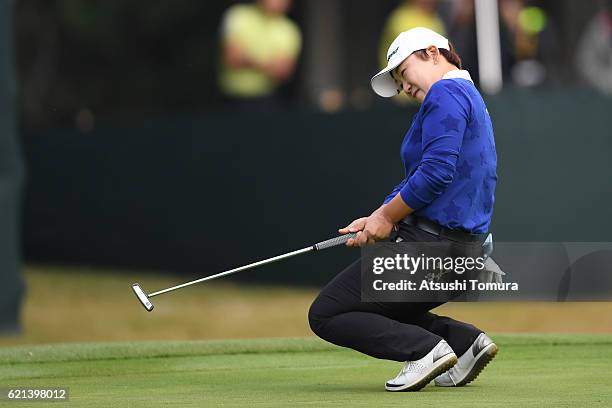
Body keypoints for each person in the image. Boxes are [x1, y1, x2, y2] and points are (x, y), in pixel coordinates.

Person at [308, 27, 499, 392]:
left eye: (403, 72)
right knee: (391, 309)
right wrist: (378, 215)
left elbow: (436, 173)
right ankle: (464, 344)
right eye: (397, 83)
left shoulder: (446, 92)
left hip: (431, 250)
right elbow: (425, 175)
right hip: (463, 254)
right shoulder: (465, 95)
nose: (404, 87)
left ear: (431, 52)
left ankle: (426, 350)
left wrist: (386, 217)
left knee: (327, 312)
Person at [218, 0, 302, 111]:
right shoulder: (238, 15)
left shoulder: (289, 30)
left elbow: (284, 72)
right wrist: (268, 65)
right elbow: (232, 59)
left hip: (266, 100)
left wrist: (248, 59)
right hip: (230, 99)